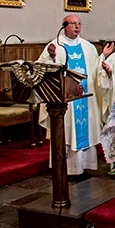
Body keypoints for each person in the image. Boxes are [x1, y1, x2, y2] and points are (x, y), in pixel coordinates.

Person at [38, 15, 104, 176]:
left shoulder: (88, 47)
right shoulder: (54, 46)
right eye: (73, 23)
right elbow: (42, 69)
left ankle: (84, 166)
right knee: (66, 131)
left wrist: (105, 63)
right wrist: (52, 57)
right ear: (64, 25)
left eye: (79, 23)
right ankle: (65, 169)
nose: (77, 26)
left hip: (85, 98)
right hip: (65, 101)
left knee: (85, 130)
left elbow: (97, 73)